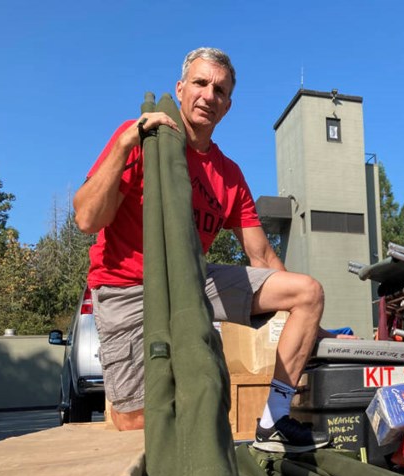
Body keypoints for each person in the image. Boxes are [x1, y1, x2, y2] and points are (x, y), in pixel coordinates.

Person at [73, 46, 333, 453]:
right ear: (180, 88)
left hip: (194, 281)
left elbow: (262, 256)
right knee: (136, 423)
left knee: (307, 292)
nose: (209, 95)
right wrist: (125, 145)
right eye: (200, 83)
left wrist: (311, 326)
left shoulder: (228, 175)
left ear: (228, 105)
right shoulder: (143, 139)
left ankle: (274, 420)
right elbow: (88, 219)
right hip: (127, 286)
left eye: (220, 90)